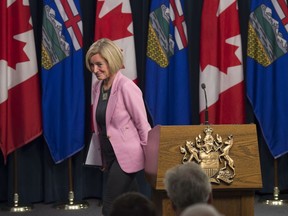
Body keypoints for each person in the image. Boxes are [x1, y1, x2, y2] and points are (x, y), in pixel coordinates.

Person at [85, 38, 151, 216]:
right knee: (135, 206)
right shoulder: (97, 87)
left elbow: (142, 124)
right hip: (109, 155)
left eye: (99, 64)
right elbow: (101, 126)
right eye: (92, 65)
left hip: (127, 155)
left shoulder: (127, 87)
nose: (95, 70)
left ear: (111, 61)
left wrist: (150, 158)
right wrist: (102, 157)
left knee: (109, 208)